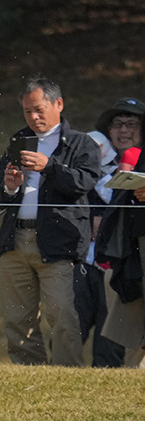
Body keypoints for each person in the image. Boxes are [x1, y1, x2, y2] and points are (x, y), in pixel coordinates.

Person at [0, 77, 101, 367]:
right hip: (15, 241)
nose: (34, 117)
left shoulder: (81, 143)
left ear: (59, 104)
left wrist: (49, 166)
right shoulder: (18, 141)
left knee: (62, 312)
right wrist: (10, 186)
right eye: (28, 111)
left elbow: (85, 181)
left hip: (59, 243)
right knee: (17, 318)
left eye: (39, 109)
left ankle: (68, 374)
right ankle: (29, 376)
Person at [81, 97, 143, 367]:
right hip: (85, 260)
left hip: (128, 260)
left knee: (116, 338)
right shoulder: (90, 164)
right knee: (75, 324)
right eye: (117, 124)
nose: (124, 130)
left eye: (131, 124)